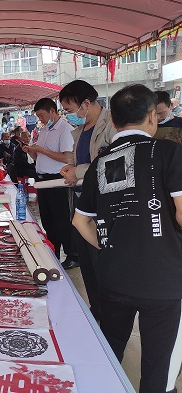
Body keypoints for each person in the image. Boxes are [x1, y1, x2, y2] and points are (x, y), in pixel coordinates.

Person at [72, 84, 182, 393]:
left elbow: (80, 221)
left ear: (113, 121)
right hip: (162, 278)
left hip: (113, 276)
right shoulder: (168, 152)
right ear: (152, 116)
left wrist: (109, 247)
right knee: (158, 366)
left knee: (109, 351)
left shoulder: (101, 162)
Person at [59, 79, 116, 293]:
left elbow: (115, 163)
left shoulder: (112, 124)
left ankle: (106, 307)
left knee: (102, 259)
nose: (68, 115)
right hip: (82, 202)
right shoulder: (80, 130)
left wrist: (79, 171)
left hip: (104, 204)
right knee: (87, 262)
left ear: (85, 103)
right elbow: (79, 160)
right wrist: (70, 168)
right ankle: (95, 306)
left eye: (69, 110)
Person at [23, 98, 74, 261]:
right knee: (48, 220)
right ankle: (54, 253)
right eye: (38, 116)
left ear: (52, 111)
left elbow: (67, 157)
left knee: (62, 220)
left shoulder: (65, 129)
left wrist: (42, 150)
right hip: (43, 179)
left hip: (57, 179)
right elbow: (40, 158)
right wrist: (32, 152)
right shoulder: (44, 130)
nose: (40, 119)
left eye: (42, 115)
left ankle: (72, 255)